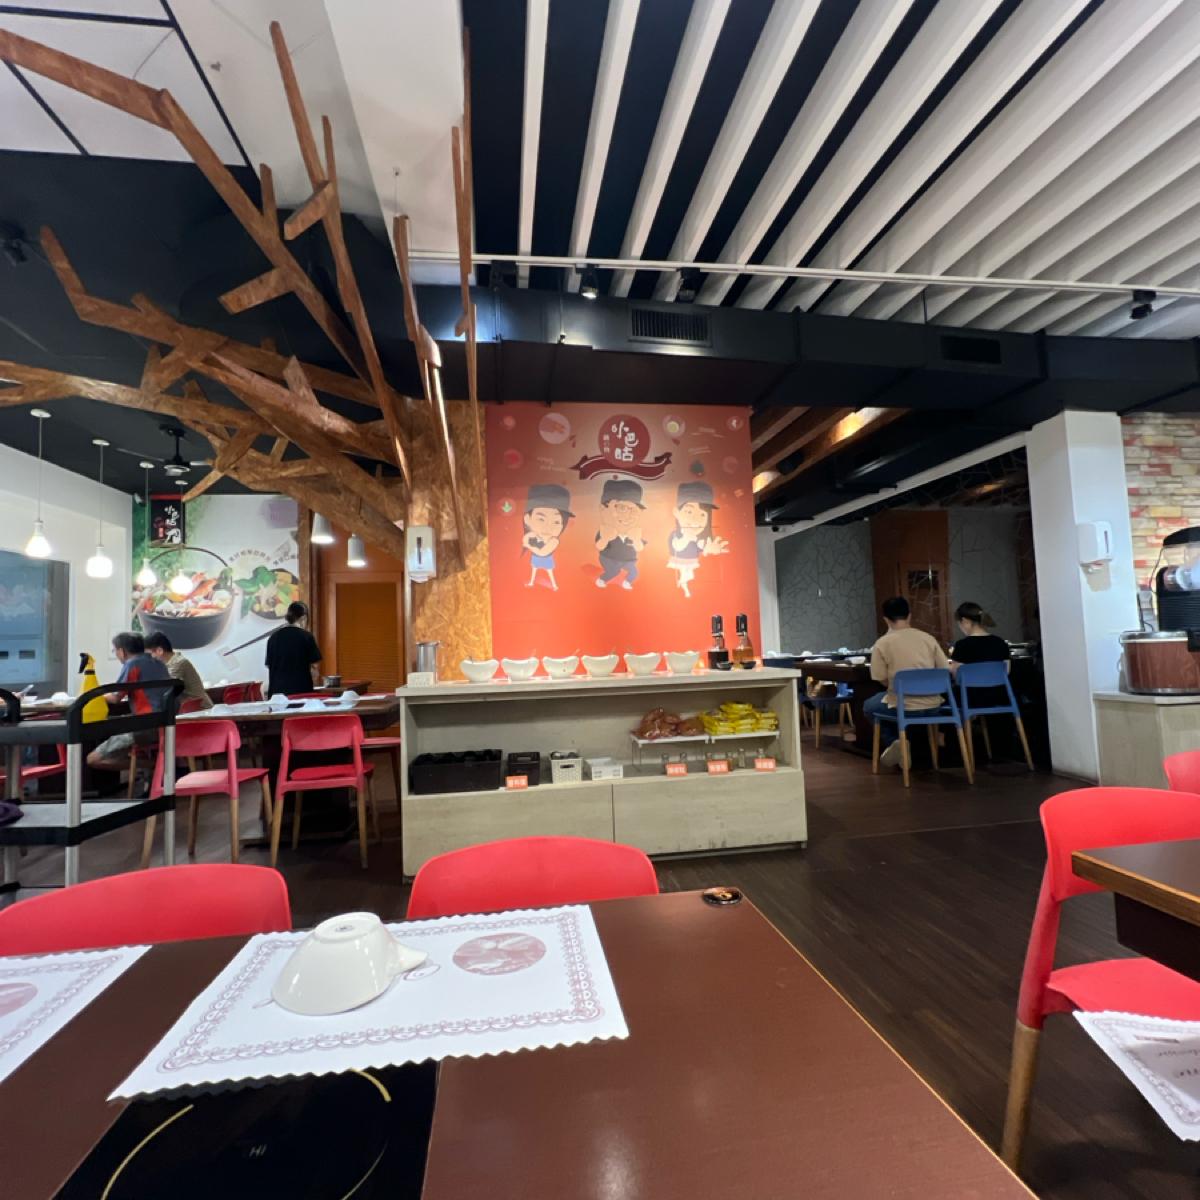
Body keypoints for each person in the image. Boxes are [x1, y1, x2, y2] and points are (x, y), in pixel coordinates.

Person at [865, 596, 950, 769]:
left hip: (904, 706)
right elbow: (944, 671)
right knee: (886, 702)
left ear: (886, 619)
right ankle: (909, 746)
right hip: (933, 705)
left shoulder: (882, 643)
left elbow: (881, 679)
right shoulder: (928, 638)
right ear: (909, 615)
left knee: (869, 705)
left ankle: (896, 742)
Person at [87, 632, 172, 772]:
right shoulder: (159, 664)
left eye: (115, 651)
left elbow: (116, 698)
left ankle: (151, 766)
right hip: (166, 724)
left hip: (145, 726)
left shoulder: (132, 664)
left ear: (121, 651)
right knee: (115, 724)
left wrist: (95, 695)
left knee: (92, 759)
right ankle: (150, 767)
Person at [950, 600, 1013, 713]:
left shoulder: (962, 645)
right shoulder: (1000, 642)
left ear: (964, 621)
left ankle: (967, 723)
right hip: (999, 696)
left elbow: (957, 676)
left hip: (970, 698)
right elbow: (1006, 671)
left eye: (959, 624)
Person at [595, 479, 646, 590]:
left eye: (633, 510)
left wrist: (636, 540)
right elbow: (599, 546)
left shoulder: (634, 532)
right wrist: (605, 539)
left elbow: (640, 548)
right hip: (609, 558)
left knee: (634, 573)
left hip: (628, 560)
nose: (629, 516)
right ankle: (601, 580)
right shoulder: (605, 531)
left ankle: (626, 582)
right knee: (613, 571)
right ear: (603, 509)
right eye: (622, 508)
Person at [522, 483, 574, 591]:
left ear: (562, 525)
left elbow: (542, 553)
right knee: (534, 569)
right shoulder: (534, 535)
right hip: (535, 558)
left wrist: (528, 545)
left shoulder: (554, 541)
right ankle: (531, 582)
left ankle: (554, 585)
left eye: (556, 522)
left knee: (549, 572)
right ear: (527, 519)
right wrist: (528, 539)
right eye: (541, 519)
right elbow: (526, 538)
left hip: (546, 559)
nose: (548, 527)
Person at [265, 601, 322, 697]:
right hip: (301, 694)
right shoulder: (306, 637)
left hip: (277, 696)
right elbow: (314, 670)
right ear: (304, 618)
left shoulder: (273, 638)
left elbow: (268, 665)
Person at [144, 632, 213, 711]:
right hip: (189, 710)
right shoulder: (168, 664)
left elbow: (164, 690)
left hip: (202, 710)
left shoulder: (178, 663)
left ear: (159, 651)